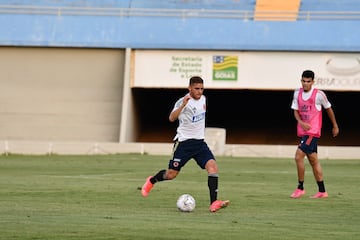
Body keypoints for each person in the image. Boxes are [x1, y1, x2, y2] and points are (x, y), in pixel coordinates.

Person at [141, 76, 230, 212]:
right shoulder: (183, 101)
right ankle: (152, 181)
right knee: (171, 175)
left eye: (201, 88)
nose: (199, 91)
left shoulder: (204, 99)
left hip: (200, 144)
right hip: (184, 144)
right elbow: (171, 118)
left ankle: (214, 203)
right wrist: (183, 105)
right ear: (190, 88)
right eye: (196, 89)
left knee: (213, 167)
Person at [290, 70, 339, 199]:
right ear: (301, 80)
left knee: (298, 156)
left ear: (313, 82)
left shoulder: (319, 95)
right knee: (314, 161)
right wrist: (301, 122)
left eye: (308, 81)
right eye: (304, 81)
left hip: (312, 132)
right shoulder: (297, 93)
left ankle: (300, 188)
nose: (306, 84)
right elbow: (295, 111)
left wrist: (335, 125)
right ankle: (322, 191)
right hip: (303, 132)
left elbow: (328, 108)